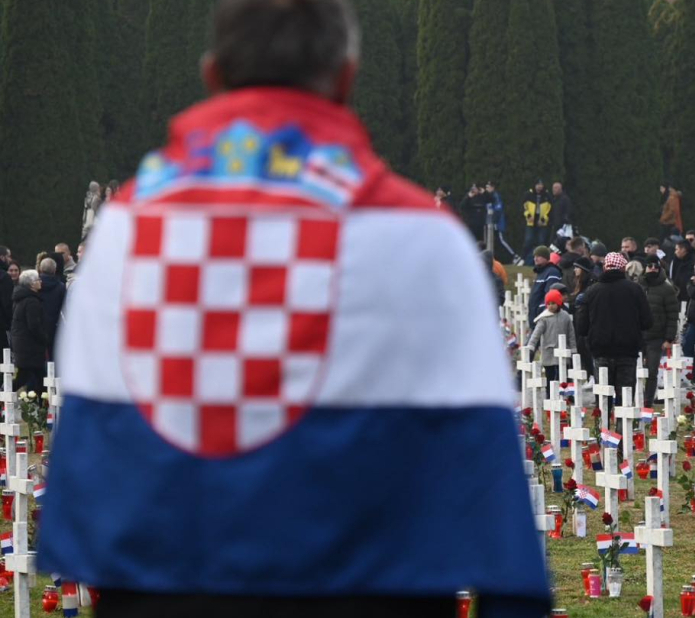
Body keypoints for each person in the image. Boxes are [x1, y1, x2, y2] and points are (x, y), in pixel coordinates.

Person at [38, 2, 550, 616]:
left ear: (212, 74)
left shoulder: (125, 230)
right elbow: (486, 478)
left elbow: (98, 468)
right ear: (347, 77)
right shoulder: (423, 237)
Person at [575, 252, 653, 402]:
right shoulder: (635, 290)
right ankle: (622, 426)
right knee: (625, 398)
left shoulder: (592, 291)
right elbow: (647, 322)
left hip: (601, 351)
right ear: (623, 269)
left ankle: (603, 424)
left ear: (605, 268)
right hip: (627, 351)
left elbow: (582, 327)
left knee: (603, 398)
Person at [640, 255, 678, 407]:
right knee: (636, 371)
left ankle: (647, 401)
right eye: (650, 266)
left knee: (651, 371)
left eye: (656, 266)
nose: (653, 269)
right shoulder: (638, 286)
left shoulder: (666, 288)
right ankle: (636, 398)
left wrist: (669, 338)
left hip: (656, 336)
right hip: (638, 336)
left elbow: (672, 315)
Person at [526, 290, 576, 384]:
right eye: (548, 304)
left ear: (558, 303)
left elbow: (571, 333)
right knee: (551, 379)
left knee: (564, 378)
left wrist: (573, 349)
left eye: (553, 303)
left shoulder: (565, 316)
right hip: (549, 354)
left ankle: (566, 397)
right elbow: (536, 333)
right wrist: (531, 345)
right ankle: (550, 396)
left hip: (564, 353)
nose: (550, 306)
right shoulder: (544, 318)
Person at [11, 269, 46, 393]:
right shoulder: (32, 301)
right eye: (38, 280)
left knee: (36, 377)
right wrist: (45, 339)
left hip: (22, 344)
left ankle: (41, 405)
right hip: (30, 346)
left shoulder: (20, 298)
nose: (40, 282)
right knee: (29, 377)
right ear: (31, 284)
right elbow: (34, 325)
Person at [36, 257, 67, 360]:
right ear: (54, 270)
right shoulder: (60, 287)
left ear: (40, 269)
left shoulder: (35, 285)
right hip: (54, 326)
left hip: (37, 324)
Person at [529, 246, 563, 326]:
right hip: (535, 317)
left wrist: (542, 310)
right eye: (534, 256)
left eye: (538, 256)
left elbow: (550, 295)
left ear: (546, 257)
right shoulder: (540, 273)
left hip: (543, 318)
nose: (535, 259)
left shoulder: (552, 273)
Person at [522, 180, 553, 265]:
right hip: (530, 221)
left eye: (541, 184)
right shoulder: (528, 194)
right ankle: (524, 259)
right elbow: (524, 207)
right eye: (538, 184)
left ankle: (542, 261)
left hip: (542, 222)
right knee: (528, 240)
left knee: (541, 241)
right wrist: (528, 216)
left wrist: (543, 219)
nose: (539, 186)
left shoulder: (547, 196)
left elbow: (550, 210)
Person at [668, 238, 695, 304]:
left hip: (688, 298)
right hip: (678, 297)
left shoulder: (693, 262)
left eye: (677, 249)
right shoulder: (676, 261)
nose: (675, 252)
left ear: (683, 249)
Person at [0, 245, 13, 345]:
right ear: (2, 257)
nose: (10, 259)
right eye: (8, 256)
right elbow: (7, 304)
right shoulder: (4, 277)